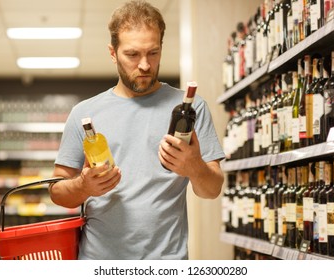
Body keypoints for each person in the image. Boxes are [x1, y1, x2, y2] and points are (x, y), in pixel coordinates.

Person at [49, 0, 224, 260]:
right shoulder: (84, 114)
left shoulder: (189, 108)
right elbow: (57, 192)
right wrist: (84, 186)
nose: (144, 65)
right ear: (112, 52)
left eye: (153, 53)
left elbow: (211, 190)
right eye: (132, 54)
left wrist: (194, 166)